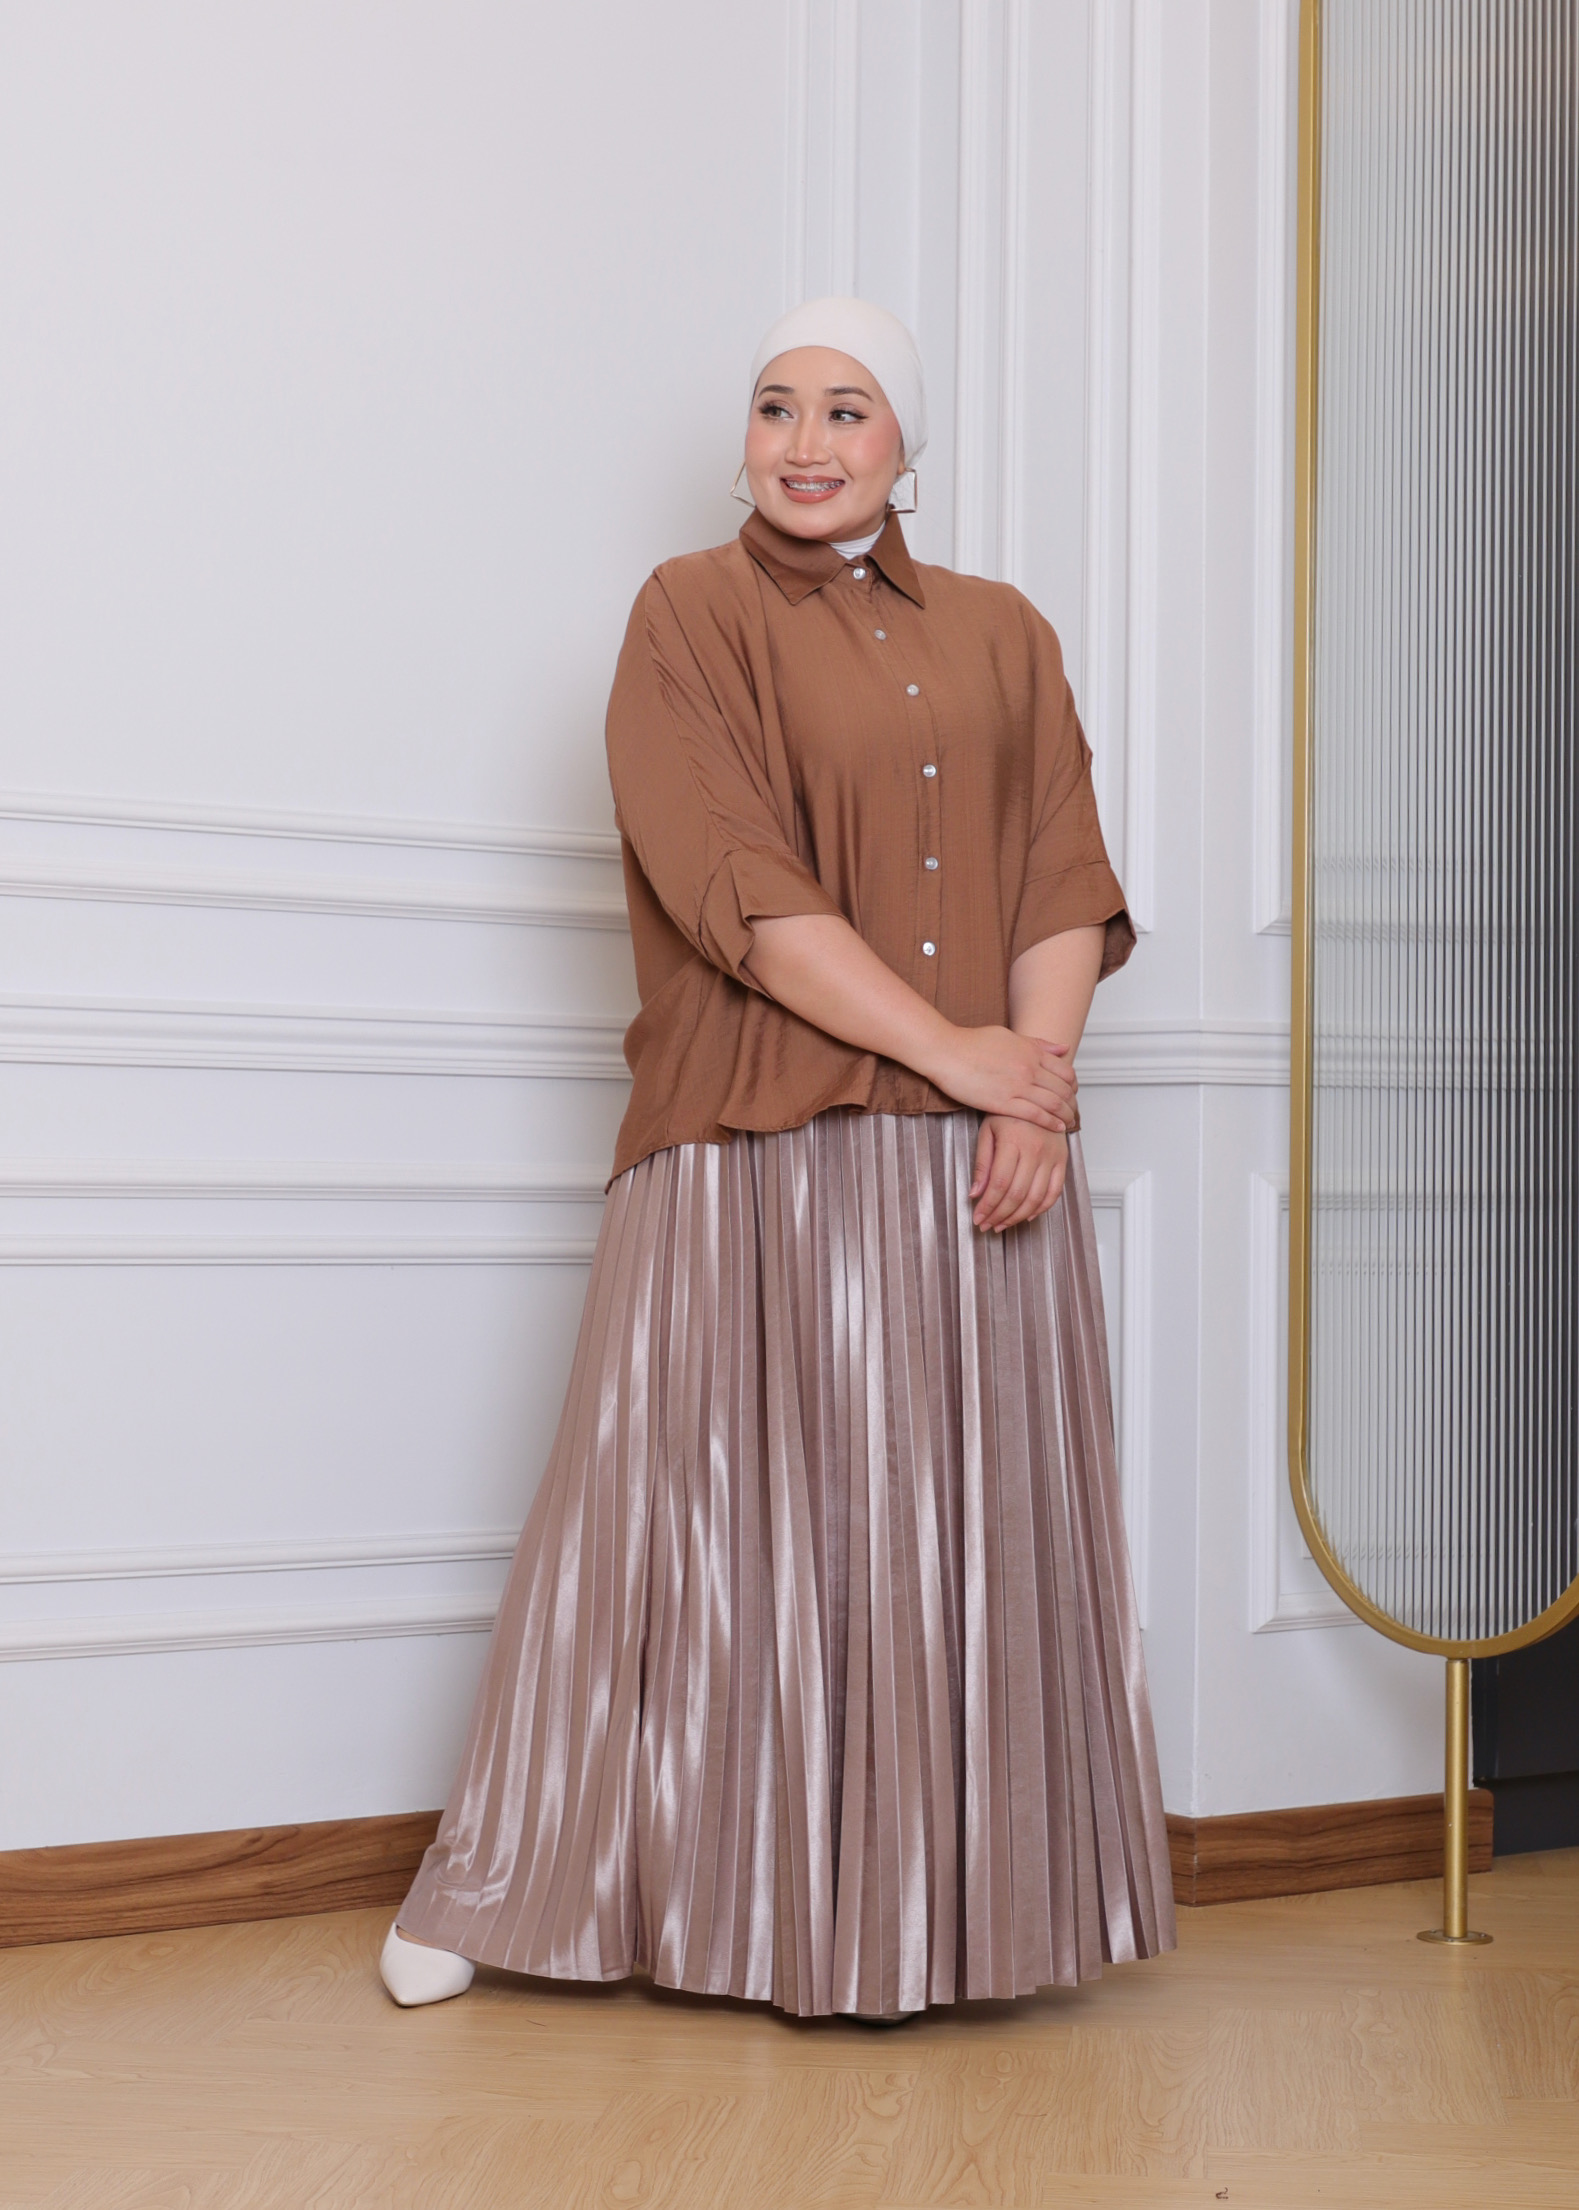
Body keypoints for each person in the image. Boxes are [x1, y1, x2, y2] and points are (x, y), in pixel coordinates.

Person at [381, 297, 1174, 2022]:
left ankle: (918, 1916)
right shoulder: (689, 611)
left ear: (908, 444)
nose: (806, 443)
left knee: (940, 1546)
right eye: (775, 406)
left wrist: (1028, 1093)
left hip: (977, 1157)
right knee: (663, 1523)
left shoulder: (1005, 631)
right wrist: (960, 1054)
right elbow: (733, 883)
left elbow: (1062, 871)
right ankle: (521, 1873)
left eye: (847, 409)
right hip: (750, 1140)